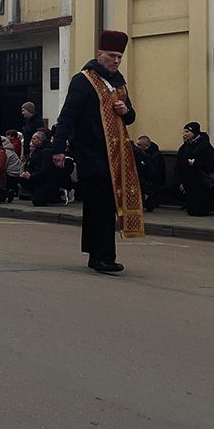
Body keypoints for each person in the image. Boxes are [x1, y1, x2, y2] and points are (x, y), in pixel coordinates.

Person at [51, 30, 145, 274]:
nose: (116, 60)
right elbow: (68, 116)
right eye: (112, 55)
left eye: (119, 57)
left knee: (99, 207)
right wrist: (58, 147)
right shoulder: (83, 80)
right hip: (91, 153)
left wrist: (126, 111)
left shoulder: (119, 83)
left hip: (116, 155)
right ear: (99, 54)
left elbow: (130, 117)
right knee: (101, 206)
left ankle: (96, 255)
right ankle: (104, 257)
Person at [168, 121, 214, 216]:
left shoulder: (205, 146)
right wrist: (179, 179)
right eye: (184, 132)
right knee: (192, 208)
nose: (184, 134)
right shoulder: (184, 147)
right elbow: (179, 164)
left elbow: (213, 164)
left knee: (200, 206)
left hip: (202, 180)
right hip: (189, 180)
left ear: (194, 133)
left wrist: (196, 163)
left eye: (187, 132)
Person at [20, 130, 68, 206]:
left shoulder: (47, 152)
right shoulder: (36, 151)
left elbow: (45, 170)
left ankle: (55, 194)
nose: (32, 140)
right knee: (22, 179)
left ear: (40, 140)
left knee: (38, 201)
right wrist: (27, 172)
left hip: (47, 179)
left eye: (34, 138)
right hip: (37, 176)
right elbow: (30, 164)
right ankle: (38, 192)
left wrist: (32, 176)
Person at [134, 135, 165, 212]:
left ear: (147, 146)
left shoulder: (155, 156)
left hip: (152, 180)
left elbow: (154, 171)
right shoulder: (140, 154)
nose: (138, 147)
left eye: (139, 145)